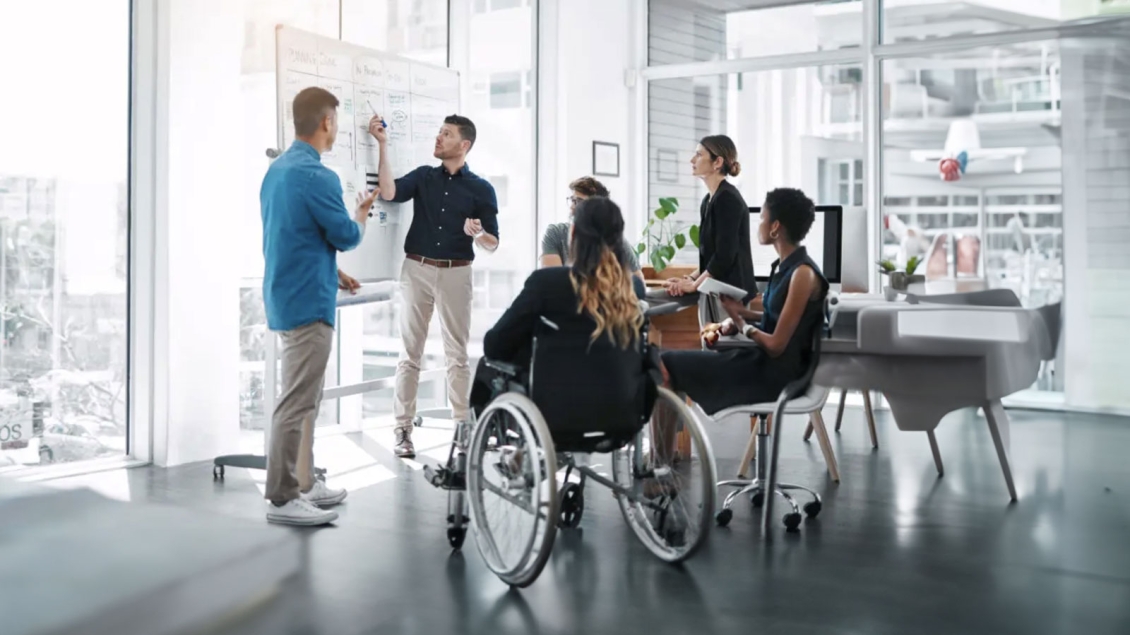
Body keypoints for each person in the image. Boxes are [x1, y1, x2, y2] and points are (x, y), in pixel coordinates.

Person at [261, 86, 378, 526]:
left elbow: (295, 236)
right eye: (336, 120)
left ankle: (304, 482)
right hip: (308, 302)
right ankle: (283, 496)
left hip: (288, 291)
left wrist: (336, 273)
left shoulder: (278, 171)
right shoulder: (318, 177)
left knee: (303, 399)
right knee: (296, 401)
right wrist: (362, 214)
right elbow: (346, 235)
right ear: (326, 121)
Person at [365, 113, 499, 458]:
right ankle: (402, 429)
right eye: (439, 132)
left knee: (457, 355)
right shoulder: (424, 177)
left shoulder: (481, 189)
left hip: (457, 272)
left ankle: (462, 428)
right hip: (417, 269)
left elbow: (493, 242)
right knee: (410, 353)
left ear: (463, 144)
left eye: (446, 134)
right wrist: (382, 144)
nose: (438, 138)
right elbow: (391, 192)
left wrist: (478, 233)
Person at [471, 197, 644, 419]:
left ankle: (474, 439)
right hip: (618, 410)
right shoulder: (633, 288)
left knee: (492, 364)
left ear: (573, 236)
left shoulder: (546, 283)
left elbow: (495, 344)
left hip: (556, 407)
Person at [660, 187, 829, 416]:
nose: (758, 225)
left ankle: (664, 453)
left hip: (774, 375)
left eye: (761, 218)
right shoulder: (786, 267)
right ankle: (666, 452)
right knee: (663, 362)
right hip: (760, 362)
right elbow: (782, 319)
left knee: (664, 363)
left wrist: (741, 324)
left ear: (775, 227)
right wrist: (740, 313)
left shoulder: (802, 274)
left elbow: (776, 345)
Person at [664, 135, 757, 326]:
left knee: (724, 352)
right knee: (710, 347)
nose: (692, 160)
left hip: (730, 295)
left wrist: (693, 285)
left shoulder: (727, 198)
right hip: (713, 288)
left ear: (718, 162)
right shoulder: (708, 201)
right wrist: (689, 278)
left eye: (698, 154)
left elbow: (724, 256)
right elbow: (711, 257)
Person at [540, 176, 643, 280]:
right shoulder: (556, 233)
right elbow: (552, 281)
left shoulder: (615, 241)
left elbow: (638, 283)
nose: (572, 206)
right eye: (572, 200)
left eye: (579, 201)